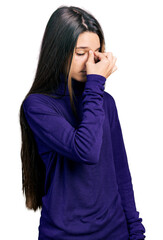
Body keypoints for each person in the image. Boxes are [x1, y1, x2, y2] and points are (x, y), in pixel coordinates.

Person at [19, 5, 146, 240]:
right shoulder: (38, 105)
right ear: (58, 52)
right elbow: (85, 150)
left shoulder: (104, 102)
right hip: (63, 235)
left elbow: (120, 171)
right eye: (80, 53)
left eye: (96, 52)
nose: (91, 62)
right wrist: (96, 84)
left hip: (115, 232)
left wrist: (136, 231)